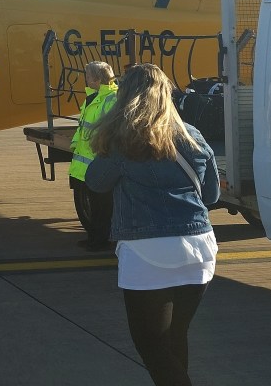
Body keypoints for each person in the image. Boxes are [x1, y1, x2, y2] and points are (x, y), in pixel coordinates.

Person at [86, 63, 220, 386]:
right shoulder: (192, 135)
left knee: (151, 345)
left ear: (126, 98)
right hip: (199, 249)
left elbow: (95, 182)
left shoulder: (123, 141)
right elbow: (212, 195)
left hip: (147, 253)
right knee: (175, 338)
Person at [68, 61, 118, 251]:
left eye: (88, 76)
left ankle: (101, 241)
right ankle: (94, 237)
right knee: (93, 205)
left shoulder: (112, 98)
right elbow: (83, 126)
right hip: (85, 161)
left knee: (102, 206)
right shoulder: (92, 97)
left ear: (97, 79)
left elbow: (112, 130)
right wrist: (75, 143)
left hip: (98, 161)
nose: (86, 79)